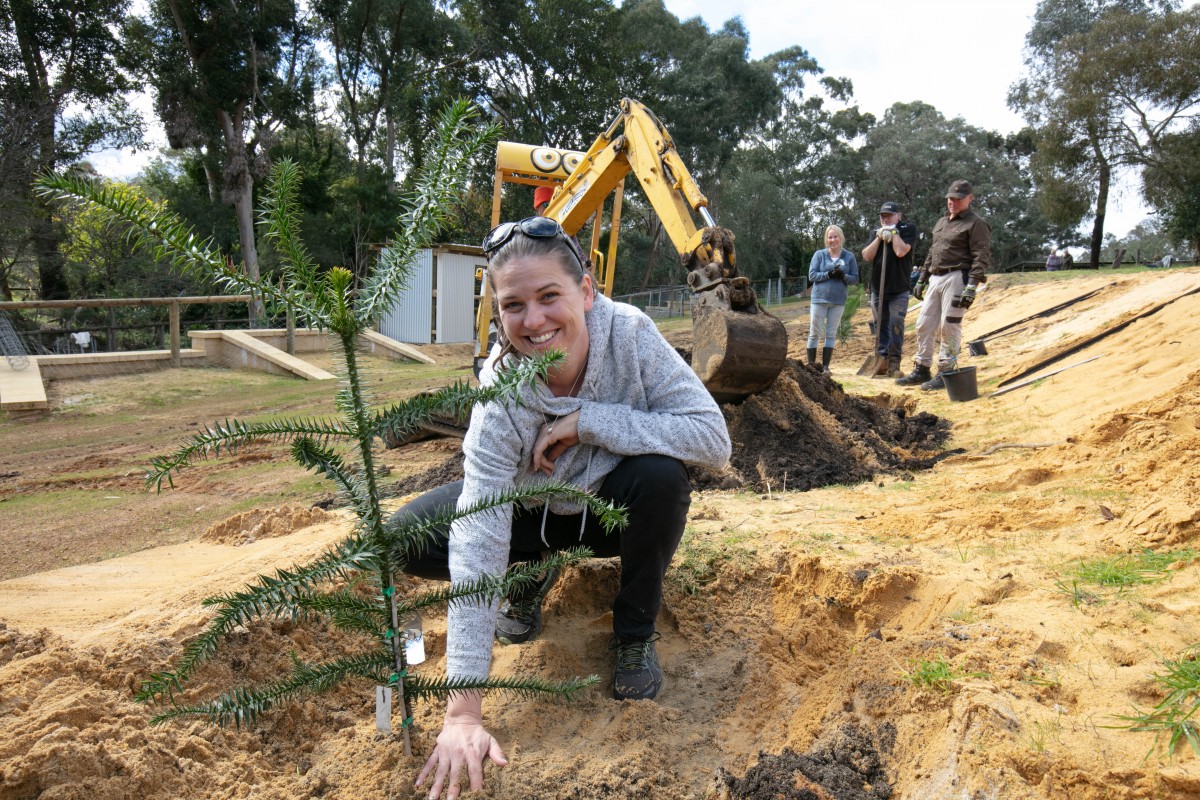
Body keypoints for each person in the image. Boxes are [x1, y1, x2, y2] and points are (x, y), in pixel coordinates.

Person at [395, 216, 731, 798]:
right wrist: (463, 712)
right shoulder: (499, 392)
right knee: (407, 537)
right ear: (498, 311)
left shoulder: (629, 335)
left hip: (607, 511)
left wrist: (589, 423)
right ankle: (529, 574)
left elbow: (712, 439)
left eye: (549, 296)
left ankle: (633, 632)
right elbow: (478, 533)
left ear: (586, 290)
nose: (534, 320)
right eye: (513, 305)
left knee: (661, 477)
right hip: (529, 513)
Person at [896, 179, 991, 390]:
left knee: (950, 324)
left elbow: (981, 255)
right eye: (950, 198)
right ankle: (922, 368)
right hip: (936, 277)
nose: (953, 202)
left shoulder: (976, 223)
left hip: (957, 276)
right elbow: (933, 252)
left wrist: (971, 286)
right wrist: (922, 278)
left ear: (970, 198)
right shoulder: (941, 222)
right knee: (924, 323)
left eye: (958, 199)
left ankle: (946, 370)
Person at [860, 202, 916, 377]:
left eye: (889, 216)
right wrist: (879, 237)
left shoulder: (908, 229)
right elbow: (866, 255)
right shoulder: (875, 232)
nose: (885, 219)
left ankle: (894, 363)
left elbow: (900, 251)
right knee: (880, 325)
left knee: (896, 324)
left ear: (898, 215)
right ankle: (881, 360)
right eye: (883, 216)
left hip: (899, 288)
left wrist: (893, 233)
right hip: (878, 289)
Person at [807, 224, 859, 373]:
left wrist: (843, 276)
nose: (833, 240)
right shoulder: (820, 255)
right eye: (830, 237)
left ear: (841, 238)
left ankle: (825, 367)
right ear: (826, 239)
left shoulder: (849, 257)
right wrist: (828, 275)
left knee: (831, 333)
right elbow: (812, 275)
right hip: (819, 299)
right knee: (814, 332)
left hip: (838, 301)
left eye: (835, 236)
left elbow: (855, 278)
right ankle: (811, 367)